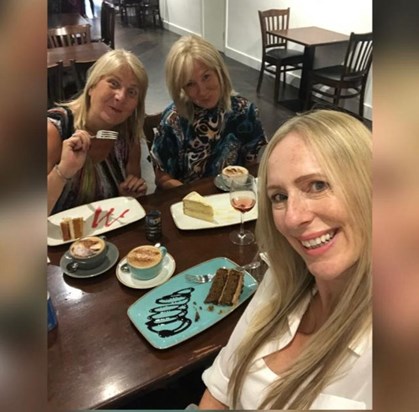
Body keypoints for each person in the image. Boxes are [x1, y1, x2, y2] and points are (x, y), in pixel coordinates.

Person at [198, 110, 372, 409]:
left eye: (317, 185)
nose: (292, 218)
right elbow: (220, 388)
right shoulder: (282, 280)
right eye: (279, 196)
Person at [150, 35, 267, 190]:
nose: (202, 91)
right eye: (190, 84)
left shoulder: (245, 112)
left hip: (232, 200)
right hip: (189, 203)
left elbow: (252, 166)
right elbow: (162, 178)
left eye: (206, 76)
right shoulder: (174, 120)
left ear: (219, 72)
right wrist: (198, 198)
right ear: (181, 87)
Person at [47, 49, 148, 215]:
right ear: (92, 86)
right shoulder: (54, 130)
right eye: (113, 83)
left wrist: (127, 196)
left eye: (132, 92)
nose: (121, 97)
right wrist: (63, 171)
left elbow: (126, 204)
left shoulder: (128, 137)